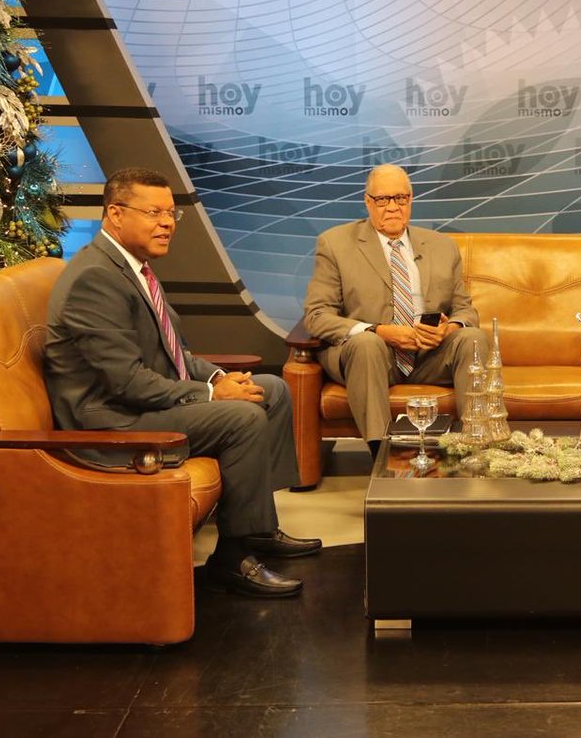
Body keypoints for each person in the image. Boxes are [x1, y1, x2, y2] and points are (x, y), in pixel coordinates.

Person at [44, 167, 320, 598]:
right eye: (154, 213)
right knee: (243, 416)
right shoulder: (94, 279)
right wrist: (212, 393)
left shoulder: (133, 268)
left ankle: (259, 528)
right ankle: (232, 558)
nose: (167, 223)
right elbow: (127, 382)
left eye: (171, 213)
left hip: (139, 401)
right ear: (115, 214)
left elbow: (173, 354)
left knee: (272, 389)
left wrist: (218, 376)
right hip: (111, 422)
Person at [303, 164, 488, 451]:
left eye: (400, 198)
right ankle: (382, 455)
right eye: (382, 200)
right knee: (367, 345)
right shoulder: (335, 244)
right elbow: (317, 315)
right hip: (373, 356)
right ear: (368, 202)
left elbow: (465, 310)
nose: (392, 207)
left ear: (411, 200)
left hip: (429, 355)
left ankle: (475, 448)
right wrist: (379, 331)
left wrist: (448, 328)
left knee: (472, 338)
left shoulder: (442, 246)